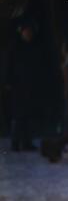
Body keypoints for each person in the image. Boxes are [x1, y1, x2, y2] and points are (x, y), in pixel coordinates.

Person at [6, 17, 41, 151]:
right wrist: (9, 83)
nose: (28, 34)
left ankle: (27, 142)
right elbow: (10, 66)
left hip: (29, 86)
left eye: (30, 32)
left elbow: (36, 67)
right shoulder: (15, 47)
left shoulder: (32, 48)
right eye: (26, 31)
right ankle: (15, 142)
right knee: (18, 115)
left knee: (28, 115)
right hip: (17, 86)